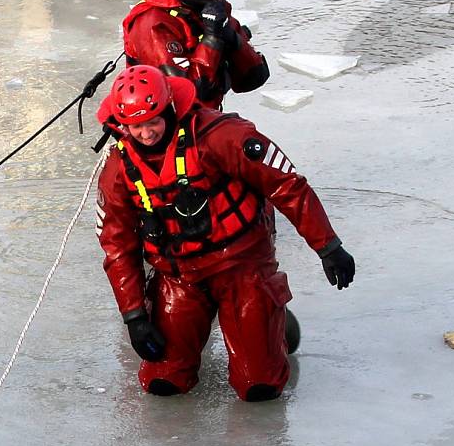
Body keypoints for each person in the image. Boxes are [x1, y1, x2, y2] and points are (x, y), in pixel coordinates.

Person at [94, 65, 355, 401]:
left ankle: (274, 324)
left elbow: (287, 185)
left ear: (170, 106)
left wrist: (329, 246)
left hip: (241, 264)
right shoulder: (118, 168)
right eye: (136, 126)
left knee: (258, 386)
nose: (146, 133)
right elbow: (116, 245)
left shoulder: (221, 135)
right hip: (178, 276)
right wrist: (134, 316)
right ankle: (238, 325)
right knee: (164, 382)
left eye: (153, 121)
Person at [121, 0, 270, 109]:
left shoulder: (213, 10)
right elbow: (189, 95)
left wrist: (233, 39)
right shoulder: (154, 24)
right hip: (163, 128)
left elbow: (254, 77)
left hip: (206, 118)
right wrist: (212, 39)